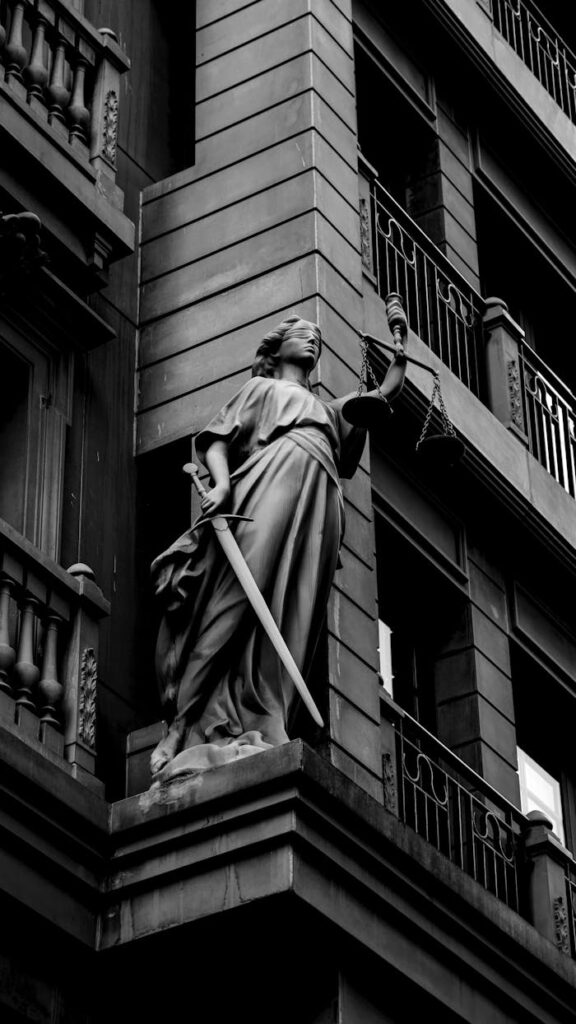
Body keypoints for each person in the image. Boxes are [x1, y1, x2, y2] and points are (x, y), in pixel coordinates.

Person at [149, 314, 407, 775]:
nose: (313, 338)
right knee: (235, 602)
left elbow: (378, 398)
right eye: (302, 333)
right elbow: (216, 441)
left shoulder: (328, 409)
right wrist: (223, 485)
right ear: (278, 347)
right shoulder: (259, 391)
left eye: (318, 337)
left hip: (319, 507)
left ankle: (267, 720)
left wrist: (399, 358)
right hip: (271, 481)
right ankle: (182, 724)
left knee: (293, 617)